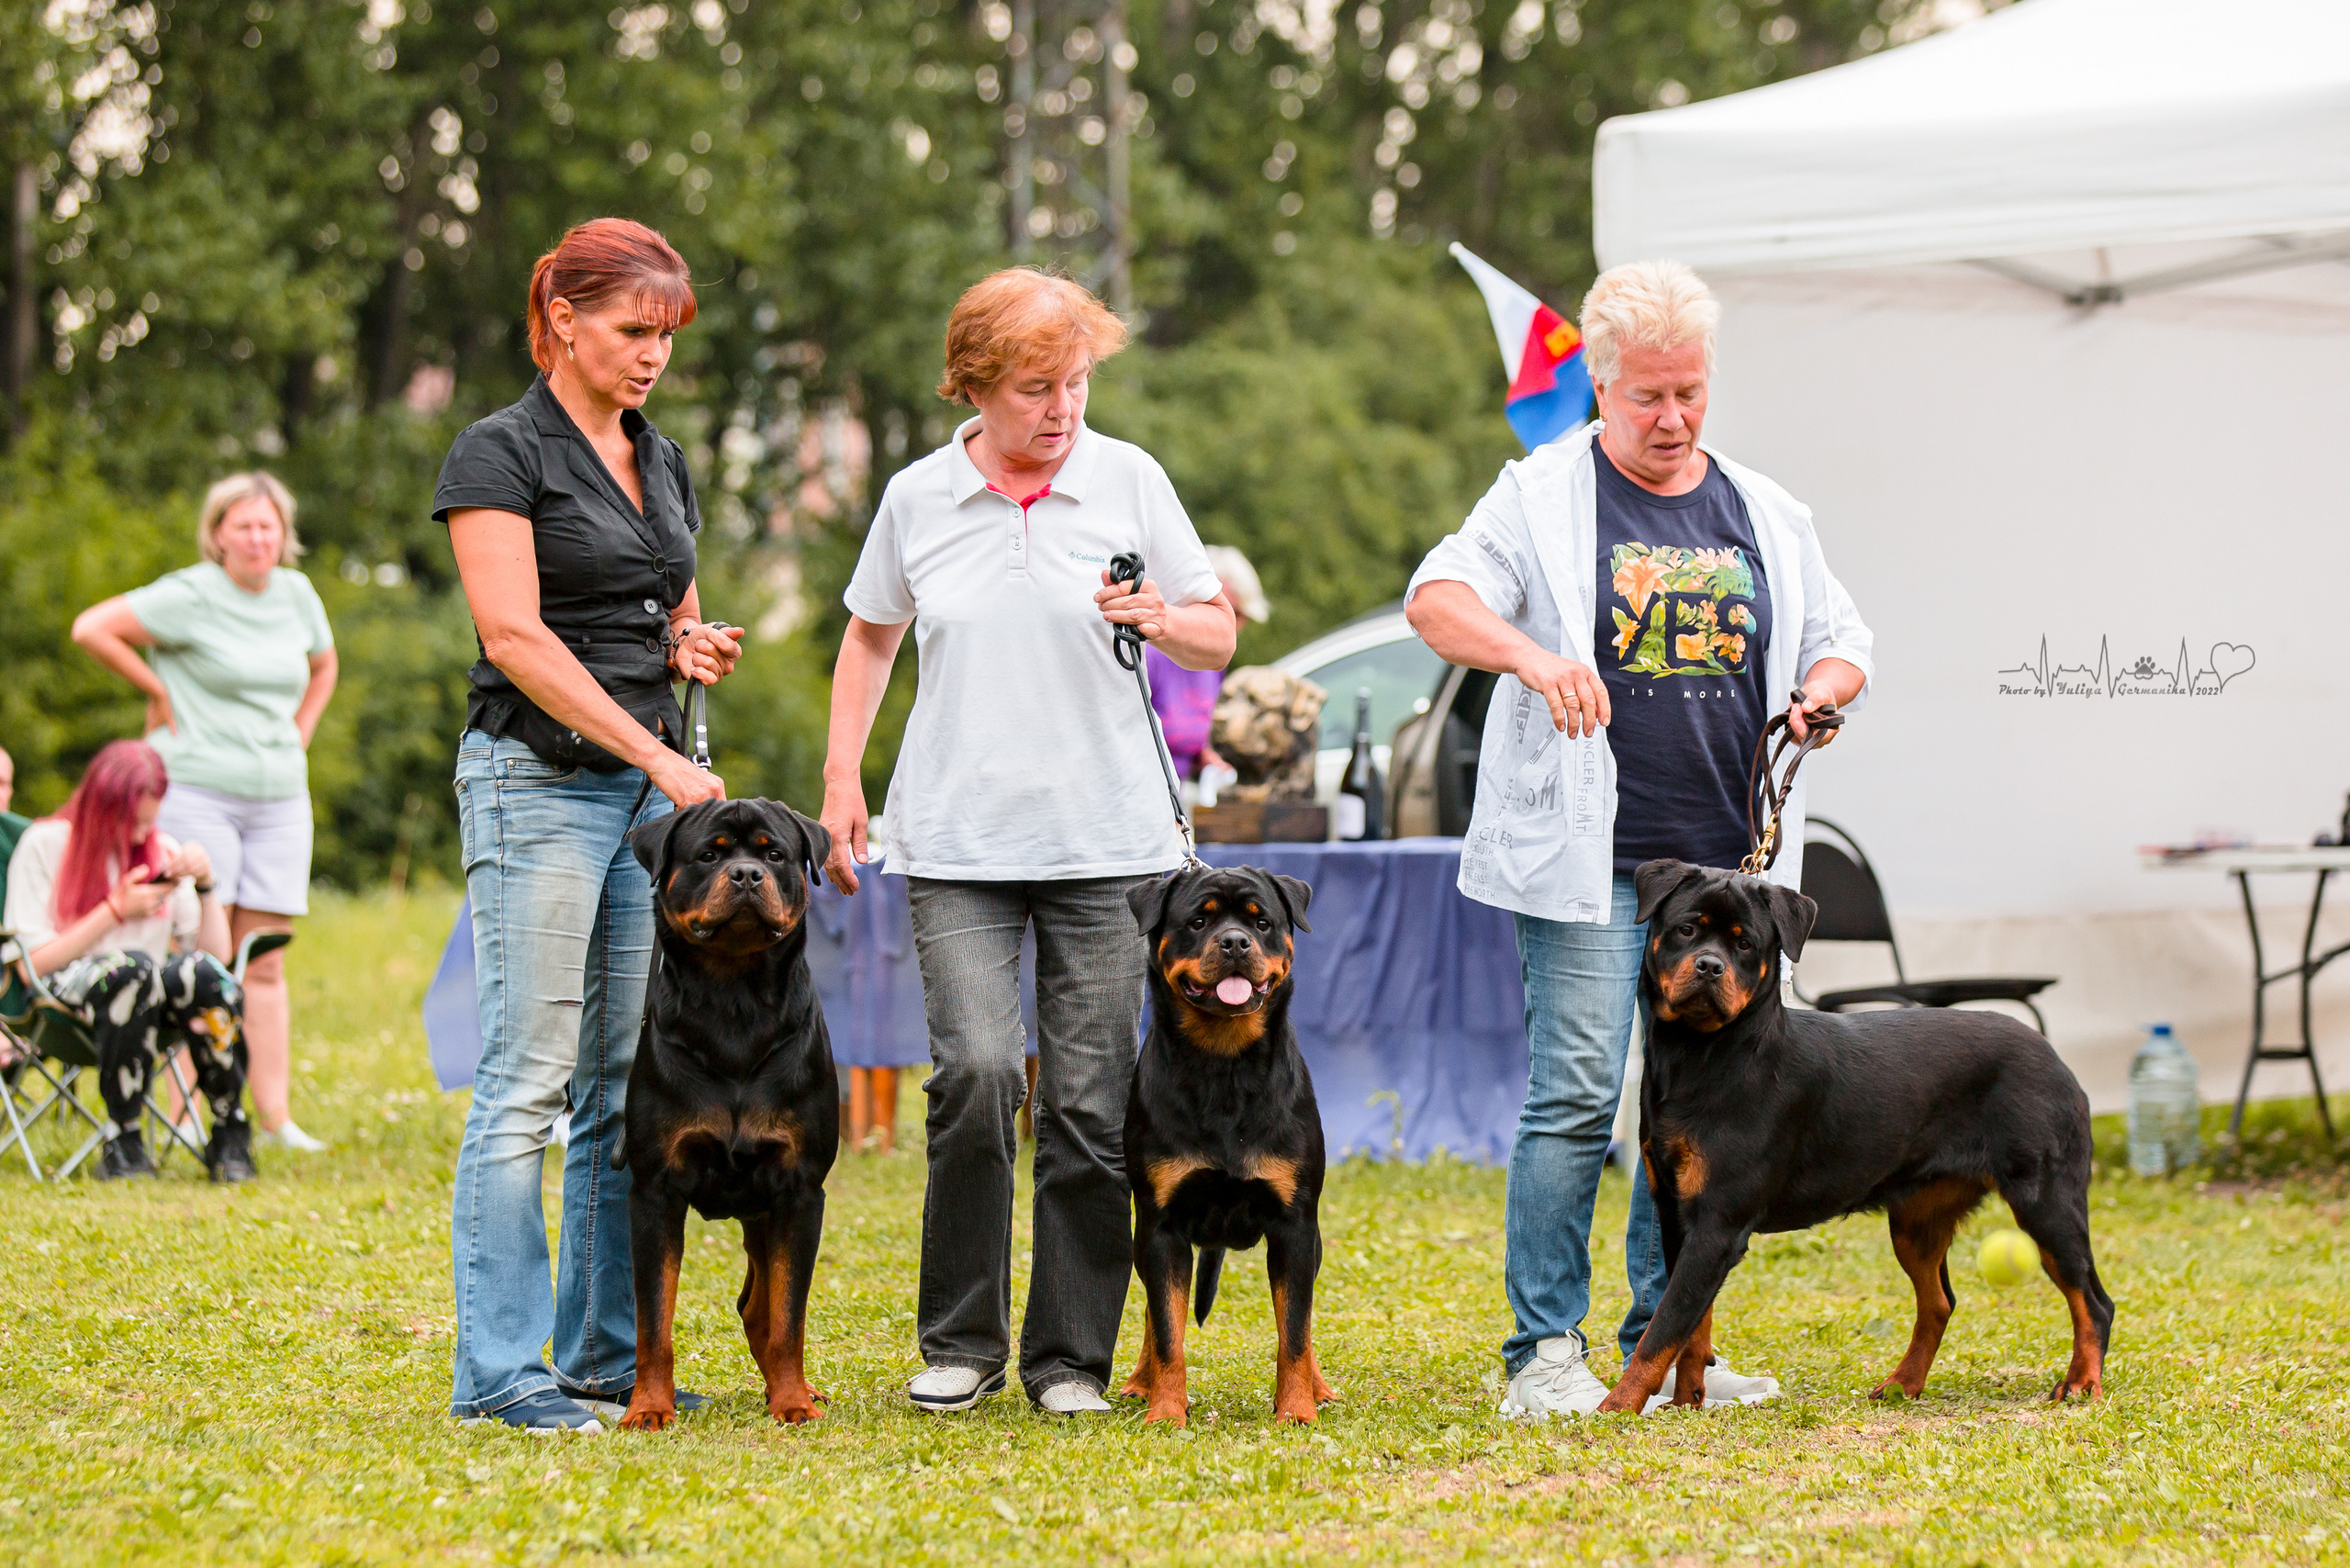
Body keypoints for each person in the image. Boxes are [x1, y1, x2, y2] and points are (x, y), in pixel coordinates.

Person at [1404, 260, 1874, 1418]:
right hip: (1590, 860)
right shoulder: (1539, 494)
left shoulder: (1763, 508)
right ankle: (1543, 1354)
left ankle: (1665, 1353)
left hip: (1726, 873)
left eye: (1690, 393)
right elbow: (1436, 598)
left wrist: (1820, 688)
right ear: (1599, 387)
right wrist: (1531, 653)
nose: (1671, 419)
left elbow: (1841, 631)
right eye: (1646, 396)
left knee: (1698, 1117)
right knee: (1574, 1093)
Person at [819, 268, 1237, 1417]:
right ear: (973, 385)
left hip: (1110, 841)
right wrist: (840, 774)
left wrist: (1162, 617)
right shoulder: (916, 496)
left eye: (1078, 382)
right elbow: (868, 639)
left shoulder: (1128, 479)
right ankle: (959, 1341)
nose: (1062, 408)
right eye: (1036, 387)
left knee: (1090, 1101)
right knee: (975, 1075)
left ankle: (1069, 1359)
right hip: (955, 836)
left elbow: (1216, 633)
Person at [435, 218, 742, 1434]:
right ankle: (502, 1376)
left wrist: (689, 648)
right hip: (539, 786)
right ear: (563, 320)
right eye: (632, 330)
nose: (653, 354)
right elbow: (515, 638)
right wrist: (660, 752)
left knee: (625, 1083)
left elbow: (668, 609)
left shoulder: (657, 458)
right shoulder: (499, 453)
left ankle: (607, 1357)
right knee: (526, 1083)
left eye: (666, 335)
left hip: (638, 804)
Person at [71, 473, 337, 1153]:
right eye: (243, 526)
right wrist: (157, 689)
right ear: (217, 533)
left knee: (266, 959)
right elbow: (91, 628)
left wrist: (300, 731)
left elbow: (323, 664)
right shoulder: (189, 595)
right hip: (198, 791)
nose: (257, 538)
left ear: (284, 534)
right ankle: (188, 1111)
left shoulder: (296, 594)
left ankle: (274, 1117)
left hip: (278, 794)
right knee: (199, 958)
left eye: (268, 526)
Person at [1, 741, 255, 1182]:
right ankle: (125, 1138)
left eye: (150, 822)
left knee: (203, 974)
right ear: (100, 807)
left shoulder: (161, 849)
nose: (141, 835)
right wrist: (114, 912)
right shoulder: (44, 844)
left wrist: (207, 885)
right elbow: (29, 968)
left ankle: (230, 1129)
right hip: (63, 1002)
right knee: (131, 967)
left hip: (148, 1003)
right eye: (131, 822)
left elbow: (218, 958)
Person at [1147, 544, 1270, 788]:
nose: (1236, 625)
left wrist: (1203, 758)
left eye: (1241, 616)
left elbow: (1189, 735)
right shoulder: (1150, 652)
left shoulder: (1213, 658)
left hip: (1176, 795)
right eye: (1232, 612)